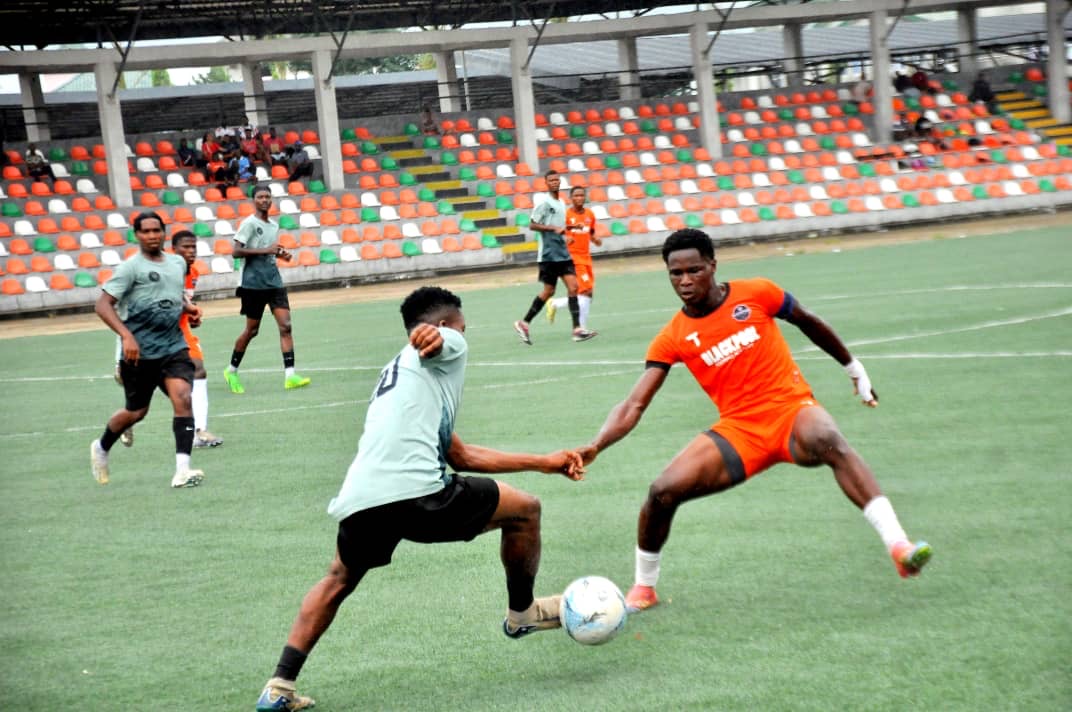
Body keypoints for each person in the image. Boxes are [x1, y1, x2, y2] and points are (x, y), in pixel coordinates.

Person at [254, 286, 584, 711]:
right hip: (419, 493)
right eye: (462, 328)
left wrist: (545, 462)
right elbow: (441, 340)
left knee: (338, 579)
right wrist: (435, 336)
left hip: (363, 497)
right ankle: (522, 614)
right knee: (527, 510)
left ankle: (278, 687)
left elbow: (461, 455)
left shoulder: (402, 376)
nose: (466, 336)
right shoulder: (445, 344)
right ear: (446, 324)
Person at [576, 229, 932, 613]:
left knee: (828, 437)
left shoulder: (757, 293)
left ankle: (898, 545)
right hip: (739, 431)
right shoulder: (673, 337)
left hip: (792, 411)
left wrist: (853, 367)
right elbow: (633, 405)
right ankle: (644, 588)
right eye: (675, 274)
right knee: (662, 491)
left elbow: (808, 321)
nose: (685, 281)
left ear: (712, 265)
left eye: (694, 270)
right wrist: (596, 445)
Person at [89, 212, 205, 489]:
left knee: (183, 398)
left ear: (164, 233)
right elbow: (102, 305)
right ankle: (102, 446)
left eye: (157, 230)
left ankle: (182, 471)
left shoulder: (177, 263)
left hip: (173, 346)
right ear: (137, 235)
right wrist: (126, 336)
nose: (152, 236)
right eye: (146, 231)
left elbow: (172, 291)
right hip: (139, 352)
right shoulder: (131, 268)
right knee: (136, 411)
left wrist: (188, 309)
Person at [223, 185, 311, 394]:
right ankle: (231, 370)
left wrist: (280, 254)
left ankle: (290, 376)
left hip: (274, 282)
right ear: (254, 200)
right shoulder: (249, 224)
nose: (264, 200)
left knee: (286, 326)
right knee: (252, 330)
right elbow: (236, 252)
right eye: (260, 196)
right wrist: (267, 250)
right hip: (253, 284)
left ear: (271, 201)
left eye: (267, 197)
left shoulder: (273, 225)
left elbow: (268, 251)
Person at [512, 170, 597, 345]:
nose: (554, 182)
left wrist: (570, 229)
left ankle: (577, 330)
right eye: (551, 180)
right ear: (546, 183)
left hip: (563, 253)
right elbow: (533, 224)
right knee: (548, 291)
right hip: (549, 255)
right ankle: (524, 323)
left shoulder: (560, 203)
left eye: (557, 180)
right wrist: (553, 229)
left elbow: (559, 226)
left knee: (574, 287)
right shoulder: (544, 202)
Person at [172, 229, 223, 448]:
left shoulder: (192, 273)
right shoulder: (168, 270)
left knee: (198, 369)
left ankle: (199, 431)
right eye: (186, 246)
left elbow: (182, 303)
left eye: (194, 247)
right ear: (173, 249)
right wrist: (189, 308)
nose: (191, 251)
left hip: (181, 328)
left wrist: (191, 315)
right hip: (159, 329)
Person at [546, 185, 601, 331]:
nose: (579, 198)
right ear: (571, 198)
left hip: (586, 258)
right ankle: (580, 328)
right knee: (586, 291)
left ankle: (555, 304)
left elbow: (591, 231)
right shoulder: (565, 216)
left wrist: (595, 239)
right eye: (576, 196)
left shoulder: (589, 214)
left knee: (588, 293)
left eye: (581, 195)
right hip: (573, 258)